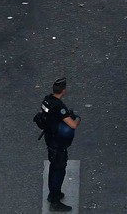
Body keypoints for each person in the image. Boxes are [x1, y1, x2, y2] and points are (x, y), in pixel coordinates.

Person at [39, 79, 79, 211]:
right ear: (63, 91)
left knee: (54, 167)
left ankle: (53, 194)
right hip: (57, 142)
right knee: (59, 170)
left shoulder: (47, 100)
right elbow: (72, 125)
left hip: (49, 138)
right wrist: (78, 118)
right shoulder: (59, 106)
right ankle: (55, 202)